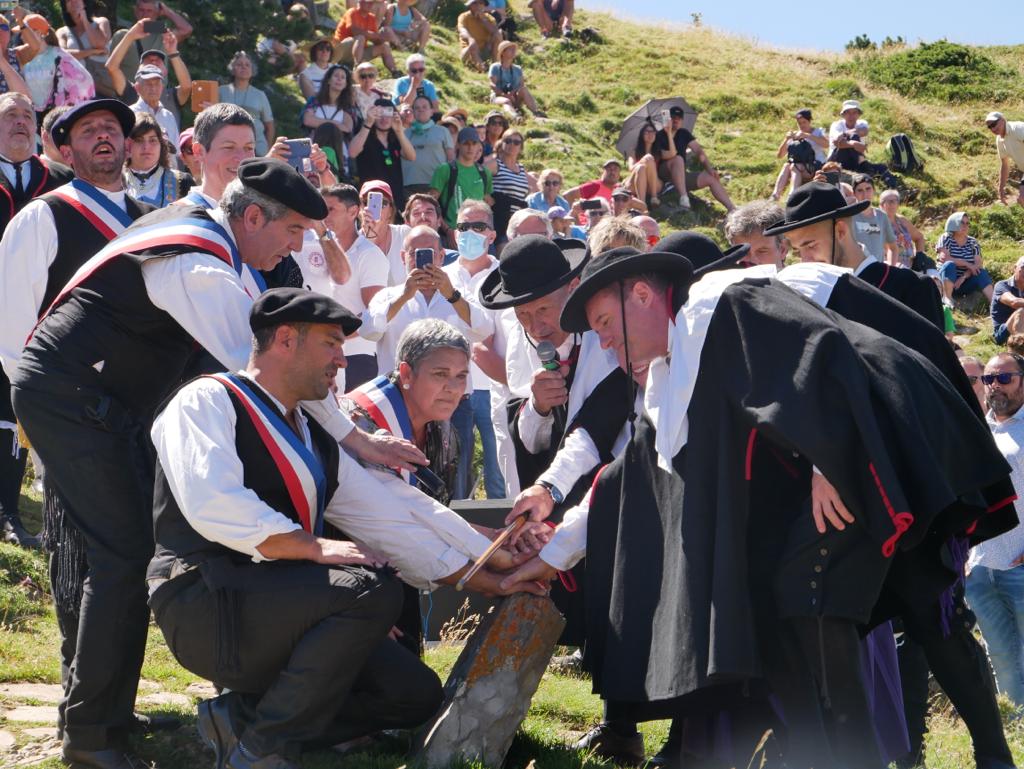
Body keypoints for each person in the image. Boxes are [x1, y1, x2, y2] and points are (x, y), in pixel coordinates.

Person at [503, 240, 1016, 769]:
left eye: (606, 324)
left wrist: (828, 462)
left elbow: (821, 349)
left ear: (641, 294)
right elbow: (627, 478)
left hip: (880, 437)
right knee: (783, 605)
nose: (605, 344)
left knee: (833, 593)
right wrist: (552, 552)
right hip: (853, 456)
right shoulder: (668, 374)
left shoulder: (722, 303)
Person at [150, 292, 541, 769]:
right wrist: (314, 547)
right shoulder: (207, 399)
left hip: (276, 603)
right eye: (332, 344)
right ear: (287, 340)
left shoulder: (310, 429)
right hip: (206, 603)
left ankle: (239, 717)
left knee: (412, 695)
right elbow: (214, 504)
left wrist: (488, 568)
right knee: (367, 591)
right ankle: (262, 749)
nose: (342, 358)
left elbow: (394, 513)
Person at [0, 98, 156, 767]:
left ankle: (109, 698)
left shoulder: (152, 221)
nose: (103, 136)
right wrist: (40, 417)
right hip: (68, 411)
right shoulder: (46, 215)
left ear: (131, 143)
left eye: (113, 128)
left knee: (121, 558)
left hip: (138, 413)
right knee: (78, 554)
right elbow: (12, 325)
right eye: (87, 130)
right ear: (63, 149)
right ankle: (80, 700)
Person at [0, 91, 73, 549]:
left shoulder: (61, 181)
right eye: (10, 115)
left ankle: (13, 506)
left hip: (44, 316)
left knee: (17, 410)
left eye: (28, 115)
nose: (21, 122)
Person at [774, 181, 945, 329]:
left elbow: (934, 364)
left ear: (841, 230)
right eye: (798, 250)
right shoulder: (809, 295)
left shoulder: (913, 289)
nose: (805, 260)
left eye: (810, 245)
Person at [967, 352, 1024, 708]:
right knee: (1001, 657)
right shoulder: (974, 429)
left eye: (1005, 378)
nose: (995, 386)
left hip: (1019, 566)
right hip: (980, 568)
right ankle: (1017, 729)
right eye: (989, 379)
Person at [362, 223, 492, 374]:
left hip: (451, 394)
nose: (420, 260)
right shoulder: (387, 296)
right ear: (403, 257)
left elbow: (484, 329)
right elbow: (367, 331)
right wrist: (403, 297)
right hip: (400, 393)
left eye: (428, 252)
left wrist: (452, 296)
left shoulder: (460, 295)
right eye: (413, 253)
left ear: (441, 256)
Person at [296, 183, 387, 390]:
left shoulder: (369, 254)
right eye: (320, 209)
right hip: (322, 353)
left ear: (353, 211)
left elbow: (373, 314)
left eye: (330, 209)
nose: (323, 215)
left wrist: (333, 337)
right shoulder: (314, 245)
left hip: (358, 355)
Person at [445, 200, 504, 499]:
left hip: (494, 385)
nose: (469, 233)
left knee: (500, 470)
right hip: (454, 388)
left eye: (478, 226)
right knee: (457, 469)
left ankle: (507, 537)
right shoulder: (442, 276)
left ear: (492, 235)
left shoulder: (505, 276)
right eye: (463, 227)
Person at [105, 29, 192, 130]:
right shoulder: (130, 91)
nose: (153, 61)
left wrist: (173, 53)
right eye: (148, 61)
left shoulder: (171, 96)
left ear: (165, 72)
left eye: (158, 61)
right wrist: (130, 36)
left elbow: (187, 86)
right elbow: (112, 67)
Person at [653, 105, 734, 212]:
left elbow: (699, 151)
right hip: (664, 175)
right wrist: (668, 133)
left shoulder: (684, 133)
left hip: (681, 176)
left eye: (679, 118)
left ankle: (732, 208)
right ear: (668, 119)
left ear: (682, 121)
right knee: (678, 159)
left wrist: (709, 169)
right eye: (673, 118)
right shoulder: (659, 135)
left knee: (711, 178)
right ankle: (683, 197)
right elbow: (665, 155)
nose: (676, 120)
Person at [107, 0, 192, 88]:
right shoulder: (123, 35)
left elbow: (186, 30)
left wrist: (167, 11)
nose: (145, 14)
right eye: (141, 10)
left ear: (157, 13)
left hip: (159, 93)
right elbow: (111, 68)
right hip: (131, 93)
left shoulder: (164, 35)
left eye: (149, 11)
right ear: (135, 11)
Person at [20, 14, 93, 116]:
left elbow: (85, 80)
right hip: (31, 115)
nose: (22, 36)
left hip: (55, 116)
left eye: (24, 32)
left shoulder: (58, 55)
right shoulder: (22, 54)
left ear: (38, 32)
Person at [350, 96, 415, 211]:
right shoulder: (364, 135)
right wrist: (368, 123)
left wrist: (399, 131)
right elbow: (352, 152)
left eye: (388, 114)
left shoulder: (395, 139)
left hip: (395, 198)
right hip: (371, 197)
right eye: (380, 114)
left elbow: (411, 156)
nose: (384, 119)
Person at [302, 63, 362, 178]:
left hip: (339, 150)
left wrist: (320, 122)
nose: (339, 79)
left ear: (346, 84)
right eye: (336, 76)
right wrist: (335, 124)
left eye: (343, 77)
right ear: (328, 80)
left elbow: (347, 127)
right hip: (314, 145)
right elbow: (307, 120)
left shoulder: (347, 106)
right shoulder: (315, 101)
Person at [122, 111, 192, 207]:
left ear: (161, 145)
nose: (146, 147)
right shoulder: (114, 183)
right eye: (139, 140)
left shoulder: (183, 182)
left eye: (152, 140)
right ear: (127, 145)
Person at [430, 125, 493, 230]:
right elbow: (431, 203)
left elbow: (488, 201)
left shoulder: (485, 173)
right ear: (458, 145)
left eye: (474, 143)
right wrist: (447, 230)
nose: (470, 147)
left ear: (479, 145)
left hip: (478, 231)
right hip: (452, 231)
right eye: (466, 143)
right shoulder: (445, 169)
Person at [485, 126, 536, 249]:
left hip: (518, 221)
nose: (512, 144)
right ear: (501, 143)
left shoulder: (522, 170)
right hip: (498, 218)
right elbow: (475, 176)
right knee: (503, 252)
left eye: (516, 142)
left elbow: (537, 187)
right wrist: (486, 196)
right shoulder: (495, 164)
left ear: (521, 147)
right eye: (508, 141)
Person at [219, 51, 274, 157]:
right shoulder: (221, 91)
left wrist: (268, 148)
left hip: (258, 147)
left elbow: (270, 125)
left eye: (247, 65)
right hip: (228, 145)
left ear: (252, 70)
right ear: (232, 69)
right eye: (239, 64)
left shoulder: (260, 95)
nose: (243, 67)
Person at [56, 0, 114, 97]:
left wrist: (85, 20)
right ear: (65, 7)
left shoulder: (101, 22)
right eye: (68, 1)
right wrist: (91, 52)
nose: (73, 2)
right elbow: (62, 55)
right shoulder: (62, 32)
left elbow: (99, 44)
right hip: (76, 89)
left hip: (102, 86)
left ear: (85, 2)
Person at [936, 210, 994, 304]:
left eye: (967, 223)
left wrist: (964, 277)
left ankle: (995, 303)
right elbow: (945, 258)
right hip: (944, 281)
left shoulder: (973, 242)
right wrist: (968, 264)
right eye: (962, 222)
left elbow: (978, 264)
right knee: (949, 265)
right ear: (953, 223)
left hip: (963, 283)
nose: (965, 226)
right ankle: (948, 299)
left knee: (981, 273)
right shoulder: (946, 238)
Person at [333, 0, 401, 78]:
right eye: (368, 2)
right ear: (360, 2)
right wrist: (375, 35)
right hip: (340, 51)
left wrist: (384, 38)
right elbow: (355, 31)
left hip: (358, 51)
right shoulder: (352, 12)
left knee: (384, 47)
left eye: (371, 3)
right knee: (361, 37)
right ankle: (357, 68)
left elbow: (376, 40)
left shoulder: (371, 17)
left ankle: (395, 72)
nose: (370, 4)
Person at [402, 94, 453, 196]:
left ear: (431, 111)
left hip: (436, 185)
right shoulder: (404, 133)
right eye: (417, 108)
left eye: (424, 107)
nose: (421, 110)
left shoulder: (442, 131)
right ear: (413, 112)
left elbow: (451, 159)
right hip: (410, 186)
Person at [771, 108, 828, 200]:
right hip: (799, 167)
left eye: (804, 122)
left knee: (794, 166)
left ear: (809, 121)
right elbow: (780, 155)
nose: (801, 125)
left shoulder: (818, 132)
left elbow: (826, 144)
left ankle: (792, 195)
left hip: (816, 166)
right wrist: (786, 139)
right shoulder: (795, 135)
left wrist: (807, 135)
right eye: (799, 123)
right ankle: (775, 195)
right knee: (787, 165)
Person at [488, 40, 545, 119]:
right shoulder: (495, 67)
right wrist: (504, 95)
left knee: (524, 90)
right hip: (499, 97)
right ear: (503, 53)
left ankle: (536, 112)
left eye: (514, 49)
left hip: (514, 97)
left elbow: (521, 85)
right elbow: (492, 84)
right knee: (506, 101)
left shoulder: (518, 69)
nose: (513, 51)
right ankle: (515, 117)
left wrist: (512, 93)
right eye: (510, 49)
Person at [723, 199, 788, 269]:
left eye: (762, 251)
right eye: (743, 252)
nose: (753, 260)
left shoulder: (797, 278)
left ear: (782, 250)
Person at [850, 173, 898, 265]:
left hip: (878, 272)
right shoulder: (849, 216)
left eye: (868, 189)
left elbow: (893, 247)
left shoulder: (882, 216)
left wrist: (891, 270)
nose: (865, 194)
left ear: (874, 190)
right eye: (860, 190)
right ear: (854, 193)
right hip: (856, 272)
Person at [879, 188, 927, 271]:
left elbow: (919, 238)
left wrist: (920, 255)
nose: (891, 204)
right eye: (887, 201)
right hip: (892, 266)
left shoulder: (902, 221)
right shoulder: (878, 222)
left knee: (931, 274)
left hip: (912, 265)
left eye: (894, 201)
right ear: (881, 205)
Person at [986, 112, 1024, 207]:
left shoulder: (1018, 128)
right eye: (989, 127)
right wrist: (1001, 187)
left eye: (994, 124)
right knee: (1022, 199)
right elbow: (1005, 164)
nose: (993, 129)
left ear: (1003, 120)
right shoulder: (999, 140)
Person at [624, 120, 661, 207]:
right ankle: (642, 205)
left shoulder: (659, 152)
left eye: (653, 132)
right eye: (647, 132)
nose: (650, 134)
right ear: (642, 135)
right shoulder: (634, 151)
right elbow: (631, 168)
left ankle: (654, 198)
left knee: (649, 159)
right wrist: (643, 160)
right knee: (641, 167)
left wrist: (669, 132)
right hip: (635, 183)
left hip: (653, 185)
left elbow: (673, 153)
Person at [458, 0, 501, 72]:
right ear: (470, 5)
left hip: (484, 50)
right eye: (475, 3)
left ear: (484, 6)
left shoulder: (489, 18)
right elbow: (462, 30)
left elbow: (495, 32)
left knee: (499, 34)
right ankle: (482, 68)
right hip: (469, 50)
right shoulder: (464, 16)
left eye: (481, 3)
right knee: (472, 46)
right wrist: (470, 39)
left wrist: (483, 20)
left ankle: (495, 65)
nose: (478, 5)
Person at [992, 256, 1024, 345]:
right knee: (1022, 311)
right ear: (1015, 268)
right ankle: (1019, 348)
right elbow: (1014, 302)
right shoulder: (1001, 285)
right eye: (1023, 268)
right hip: (1003, 334)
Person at [0, 13, 32, 98]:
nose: (0, 31)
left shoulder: (16, 54)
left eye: (3, 27)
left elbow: (35, 45)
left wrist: (21, 22)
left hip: (20, 108)